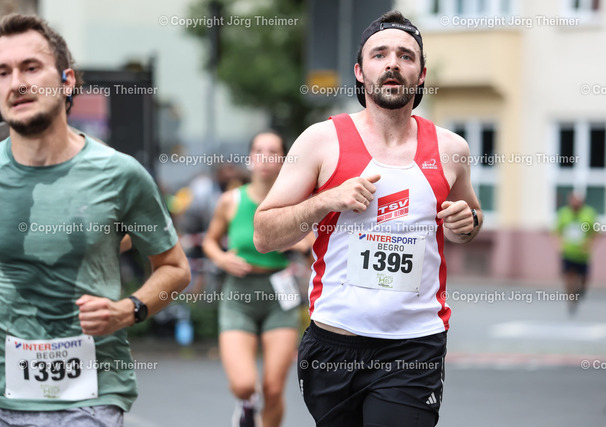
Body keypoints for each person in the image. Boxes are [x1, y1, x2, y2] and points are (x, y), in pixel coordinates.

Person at [254, 10, 483, 427]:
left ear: (421, 74)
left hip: (414, 346)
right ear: (360, 72)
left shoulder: (451, 149)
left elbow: (470, 218)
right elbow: (264, 235)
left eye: (405, 55)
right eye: (379, 54)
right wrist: (326, 200)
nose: (393, 63)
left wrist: (466, 223)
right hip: (333, 343)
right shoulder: (321, 141)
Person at [0, 13, 191, 426]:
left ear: (66, 80)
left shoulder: (120, 175)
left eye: (31, 68)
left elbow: (175, 268)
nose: (16, 83)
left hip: (91, 396)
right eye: (3, 72)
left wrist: (128, 309)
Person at [202, 132, 312, 427]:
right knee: (244, 385)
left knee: (273, 389)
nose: (265, 156)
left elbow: (316, 252)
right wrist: (222, 259)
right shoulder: (231, 200)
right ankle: (247, 404)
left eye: (273, 151)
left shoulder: (295, 202)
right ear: (250, 158)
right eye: (259, 150)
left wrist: (301, 244)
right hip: (239, 294)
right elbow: (209, 242)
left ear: (283, 160)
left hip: (279, 295)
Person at [554, 192, 598, 315]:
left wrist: (589, 245)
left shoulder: (589, 213)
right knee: (568, 276)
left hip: (583, 254)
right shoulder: (563, 214)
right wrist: (559, 245)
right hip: (568, 252)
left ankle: (581, 290)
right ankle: (571, 298)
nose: (575, 204)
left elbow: (596, 232)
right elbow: (557, 231)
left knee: (584, 278)